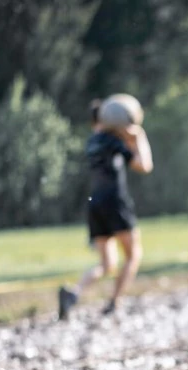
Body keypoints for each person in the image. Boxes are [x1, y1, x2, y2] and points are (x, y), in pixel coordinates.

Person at [58, 99, 154, 320]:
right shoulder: (114, 141)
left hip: (95, 203)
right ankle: (114, 302)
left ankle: (74, 293)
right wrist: (138, 137)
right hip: (115, 201)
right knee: (133, 255)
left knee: (107, 264)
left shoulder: (92, 142)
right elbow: (144, 166)